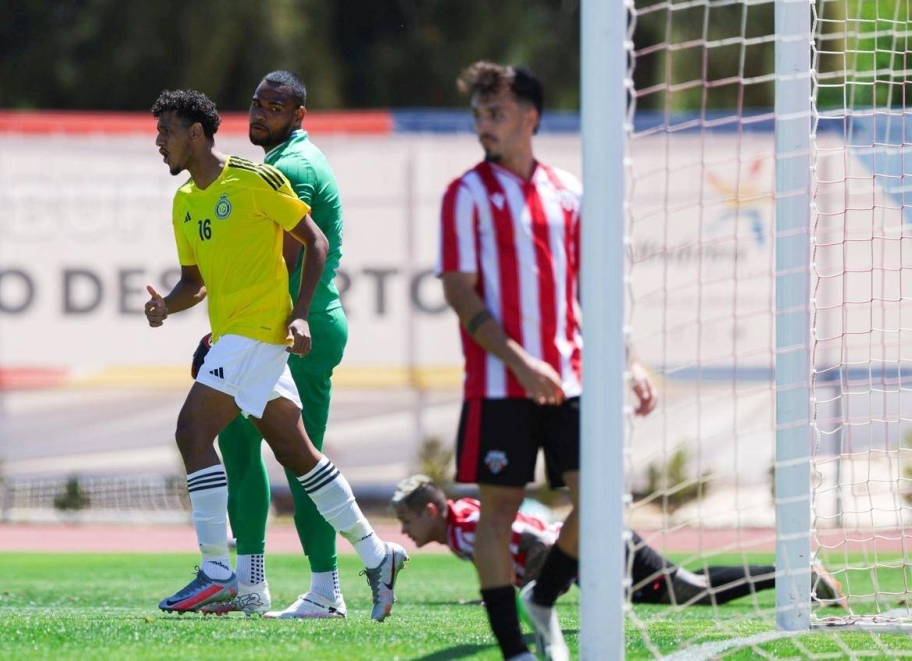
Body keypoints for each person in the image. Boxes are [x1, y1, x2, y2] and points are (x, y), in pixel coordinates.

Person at [147, 89, 407, 621]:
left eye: (167, 132)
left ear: (196, 134)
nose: (159, 143)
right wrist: (166, 308)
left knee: (192, 432)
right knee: (299, 455)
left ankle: (219, 572)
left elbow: (315, 242)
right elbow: (193, 283)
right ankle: (379, 556)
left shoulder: (256, 179)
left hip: (259, 332)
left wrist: (301, 312)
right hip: (237, 337)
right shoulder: (184, 202)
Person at [436, 61, 658, 661]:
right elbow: (459, 291)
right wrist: (520, 362)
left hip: (574, 380)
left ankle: (545, 597)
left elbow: (596, 288)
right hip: (497, 384)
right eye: (479, 115)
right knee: (499, 510)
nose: (485, 125)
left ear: (529, 118)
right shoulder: (464, 194)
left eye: (497, 114)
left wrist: (630, 361)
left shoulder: (569, 192)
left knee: (600, 504)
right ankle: (515, 650)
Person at [187, 71, 352, 620]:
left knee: (300, 459)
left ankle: (329, 586)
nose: (260, 115)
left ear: (299, 114)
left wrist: (224, 336)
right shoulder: (277, 161)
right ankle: (250, 582)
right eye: (256, 104)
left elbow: (287, 257)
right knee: (237, 445)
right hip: (268, 327)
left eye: (275, 107)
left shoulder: (291, 166)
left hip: (290, 330)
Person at [391, 475, 848, 609]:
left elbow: (537, 544)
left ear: (431, 511)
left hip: (594, 549)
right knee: (689, 592)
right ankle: (795, 575)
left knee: (692, 592)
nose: (405, 532)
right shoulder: (461, 524)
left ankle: (797, 572)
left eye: (408, 520)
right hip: (590, 555)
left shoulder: (466, 528)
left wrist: (534, 591)